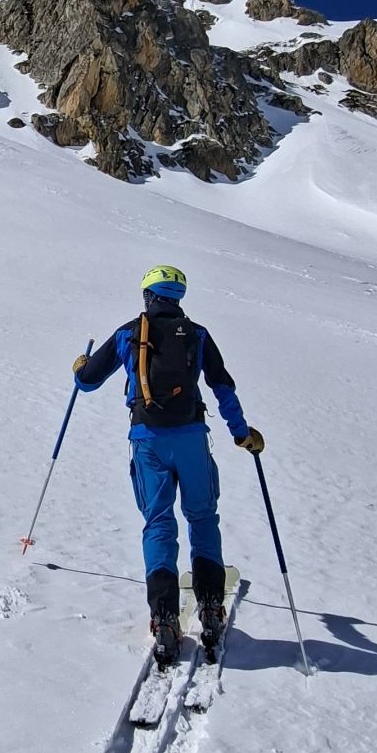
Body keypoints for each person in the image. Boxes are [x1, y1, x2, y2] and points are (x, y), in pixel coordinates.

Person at [72, 265, 265, 666]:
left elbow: (87, 382)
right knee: (202, 517)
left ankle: (164, 620)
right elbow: (222, 386)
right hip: (191, 438)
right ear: (178, 298)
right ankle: (210, 609)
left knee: (159, 523)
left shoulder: (129, 333)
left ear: (148, 296)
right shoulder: (197, 334)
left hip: (148, 441)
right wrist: (241, 433)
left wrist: (80, 367)